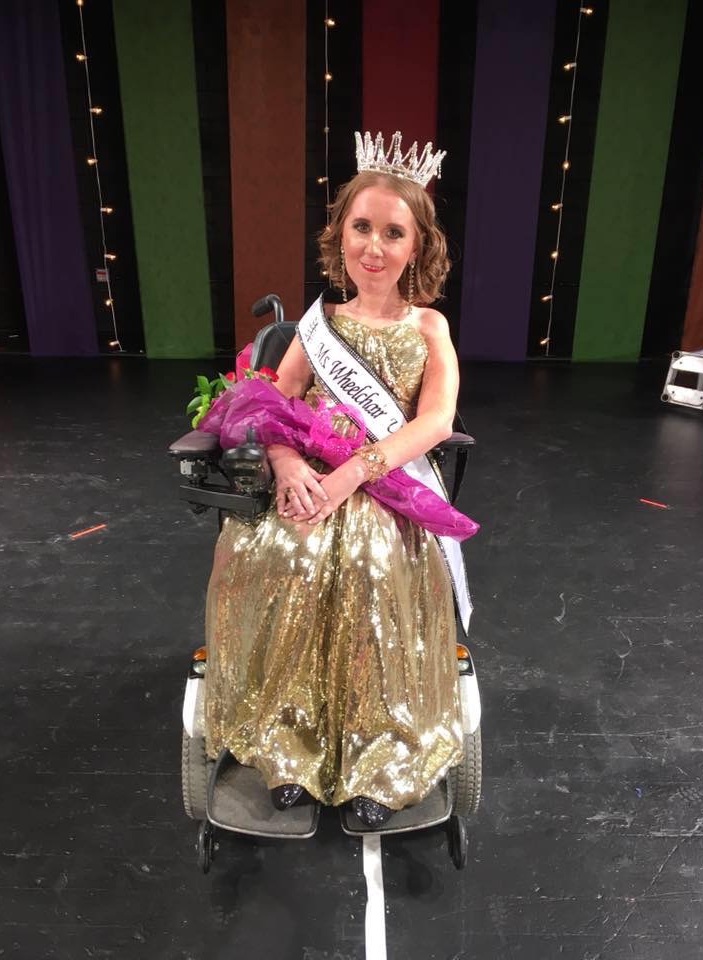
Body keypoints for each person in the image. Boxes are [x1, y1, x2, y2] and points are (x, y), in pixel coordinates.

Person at [201, 131, 478, 827]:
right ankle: (285, 744)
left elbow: (437, 421)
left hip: (383, 483)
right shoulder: (318, 325)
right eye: (362, 227)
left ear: (418, 246)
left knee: (375, 569)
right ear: (340, 233)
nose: (374, 247)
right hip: (310, 486)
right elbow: (270, 405)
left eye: (393, 232)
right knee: (279, 556)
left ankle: (380, 756)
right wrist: (289, 464)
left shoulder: (428, 328)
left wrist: (353, 473)